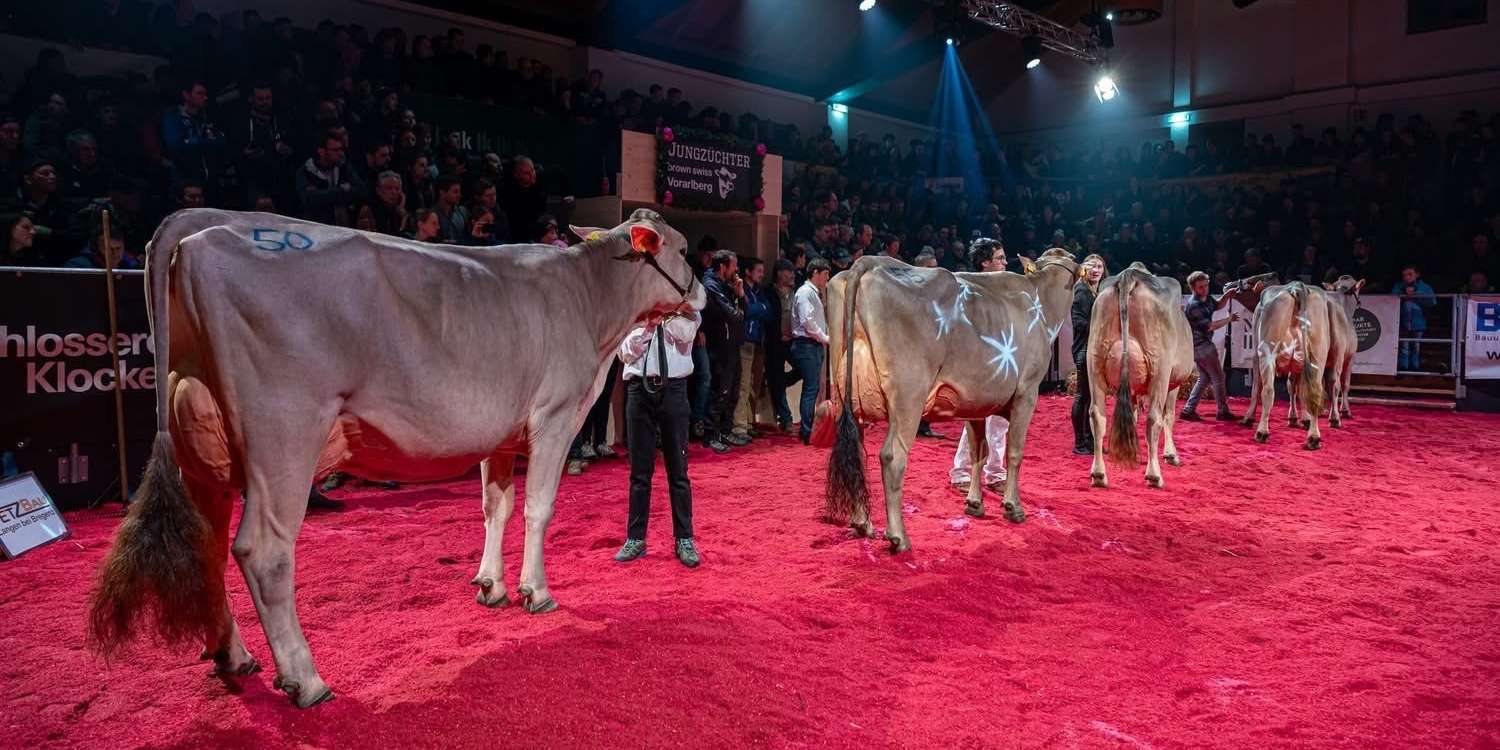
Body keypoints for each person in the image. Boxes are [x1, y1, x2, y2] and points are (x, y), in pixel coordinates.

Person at [613, 307, 702, 568]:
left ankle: (684, 538)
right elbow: (625, 353)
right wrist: (648, 327)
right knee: (640, 473)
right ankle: (635, 538)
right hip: (638, 392)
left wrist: (664, 317)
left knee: (679, 471)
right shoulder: (635, 311)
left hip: (673, 389)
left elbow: (686, 335)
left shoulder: (687, 310)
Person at [951, 238, 1009, 491]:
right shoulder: (968, 290)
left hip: (1002, 362)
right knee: (976, 421)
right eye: (1000, 258)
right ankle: (962, 472)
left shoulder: (1007, 289)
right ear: (985, 263)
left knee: (999, 421)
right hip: (977, 364)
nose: (1005, 263)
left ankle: (995, 473)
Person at [700, 249, 747, 453]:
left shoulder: (726, 286)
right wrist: (738, 310)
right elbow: (733, 315)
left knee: (732, 391)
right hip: (719, 346)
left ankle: (725, 431)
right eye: (734, 266)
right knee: (719, 391)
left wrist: (741, 295)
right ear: (723, 267)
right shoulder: (710, 285)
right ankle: (711, 435)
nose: (736, 270)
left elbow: (746, 311)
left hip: (732, 344)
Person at [1180, 270, 1240, 421]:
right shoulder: (1194, 305)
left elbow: (1217, 305)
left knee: (1205, 378)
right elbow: (1210, 326)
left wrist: (1226, 296)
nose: (1205, 289)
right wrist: (1229, 319)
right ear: (1193, 288)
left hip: (1199, 346)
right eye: (1201, 287)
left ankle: (1188, 410)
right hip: (1202, 346)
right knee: (1219, 377)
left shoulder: (1205, 299)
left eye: (1206, 285)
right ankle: (1223, 411)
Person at [788, 258, 832, 444]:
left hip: (812, 344)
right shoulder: (806, 292)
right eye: (825, 274)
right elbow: (807, 322)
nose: (827, 278)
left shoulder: (813, 292)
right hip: (807, 344)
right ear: (815, 272)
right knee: (811, 388)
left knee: (811, 387)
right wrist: (825, 338)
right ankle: (806, 432)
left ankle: (807, 429)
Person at [732, 257, 771, 442]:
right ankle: (739, 427)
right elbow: (747, 311)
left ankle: (748, 423)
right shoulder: (741, 289)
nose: (762, 274)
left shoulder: (758, 291)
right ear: (748, 271)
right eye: (759, 271)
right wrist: (758, 308)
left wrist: (757, 308)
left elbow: (768, 311)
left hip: (757, 342)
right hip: (744, 341)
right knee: (743, 384)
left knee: (754, 385)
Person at [1071, 254, 1106, 454]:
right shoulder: (1082, 290)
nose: (1096, 270)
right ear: (1083, 269)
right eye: (1092, 266)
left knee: (1092, 397)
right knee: (1083, 396)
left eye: (1100, 266)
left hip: (1093, 349)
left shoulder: (1096, 291)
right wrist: (1103, 325)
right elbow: (1079, 323)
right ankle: (1079, 443)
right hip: (1084, 349)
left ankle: (1090, 440)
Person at [766, 258, 797, 433]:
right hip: (774, 342)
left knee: (803, 368)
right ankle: (786, 419)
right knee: (776, 379)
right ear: (779, 274)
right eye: (788, 271)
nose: (792, 275)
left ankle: (779, 382)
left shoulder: (796, 292)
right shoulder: (769, 292)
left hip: (793, 342)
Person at [1393, 264, 1435, 371]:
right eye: (1404, 275)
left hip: (1419, 322)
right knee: (1404, 346)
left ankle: (1415, 367)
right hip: (1402, 322)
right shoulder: (1398, 286)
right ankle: (1404, 368)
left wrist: (1417, 295)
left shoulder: (1425, 287)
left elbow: (1432, 302)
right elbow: (1390, 299)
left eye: (1410, 274)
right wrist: (1402, 293)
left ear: (1417, 275)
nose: (1407, 277)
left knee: (1416, 345)